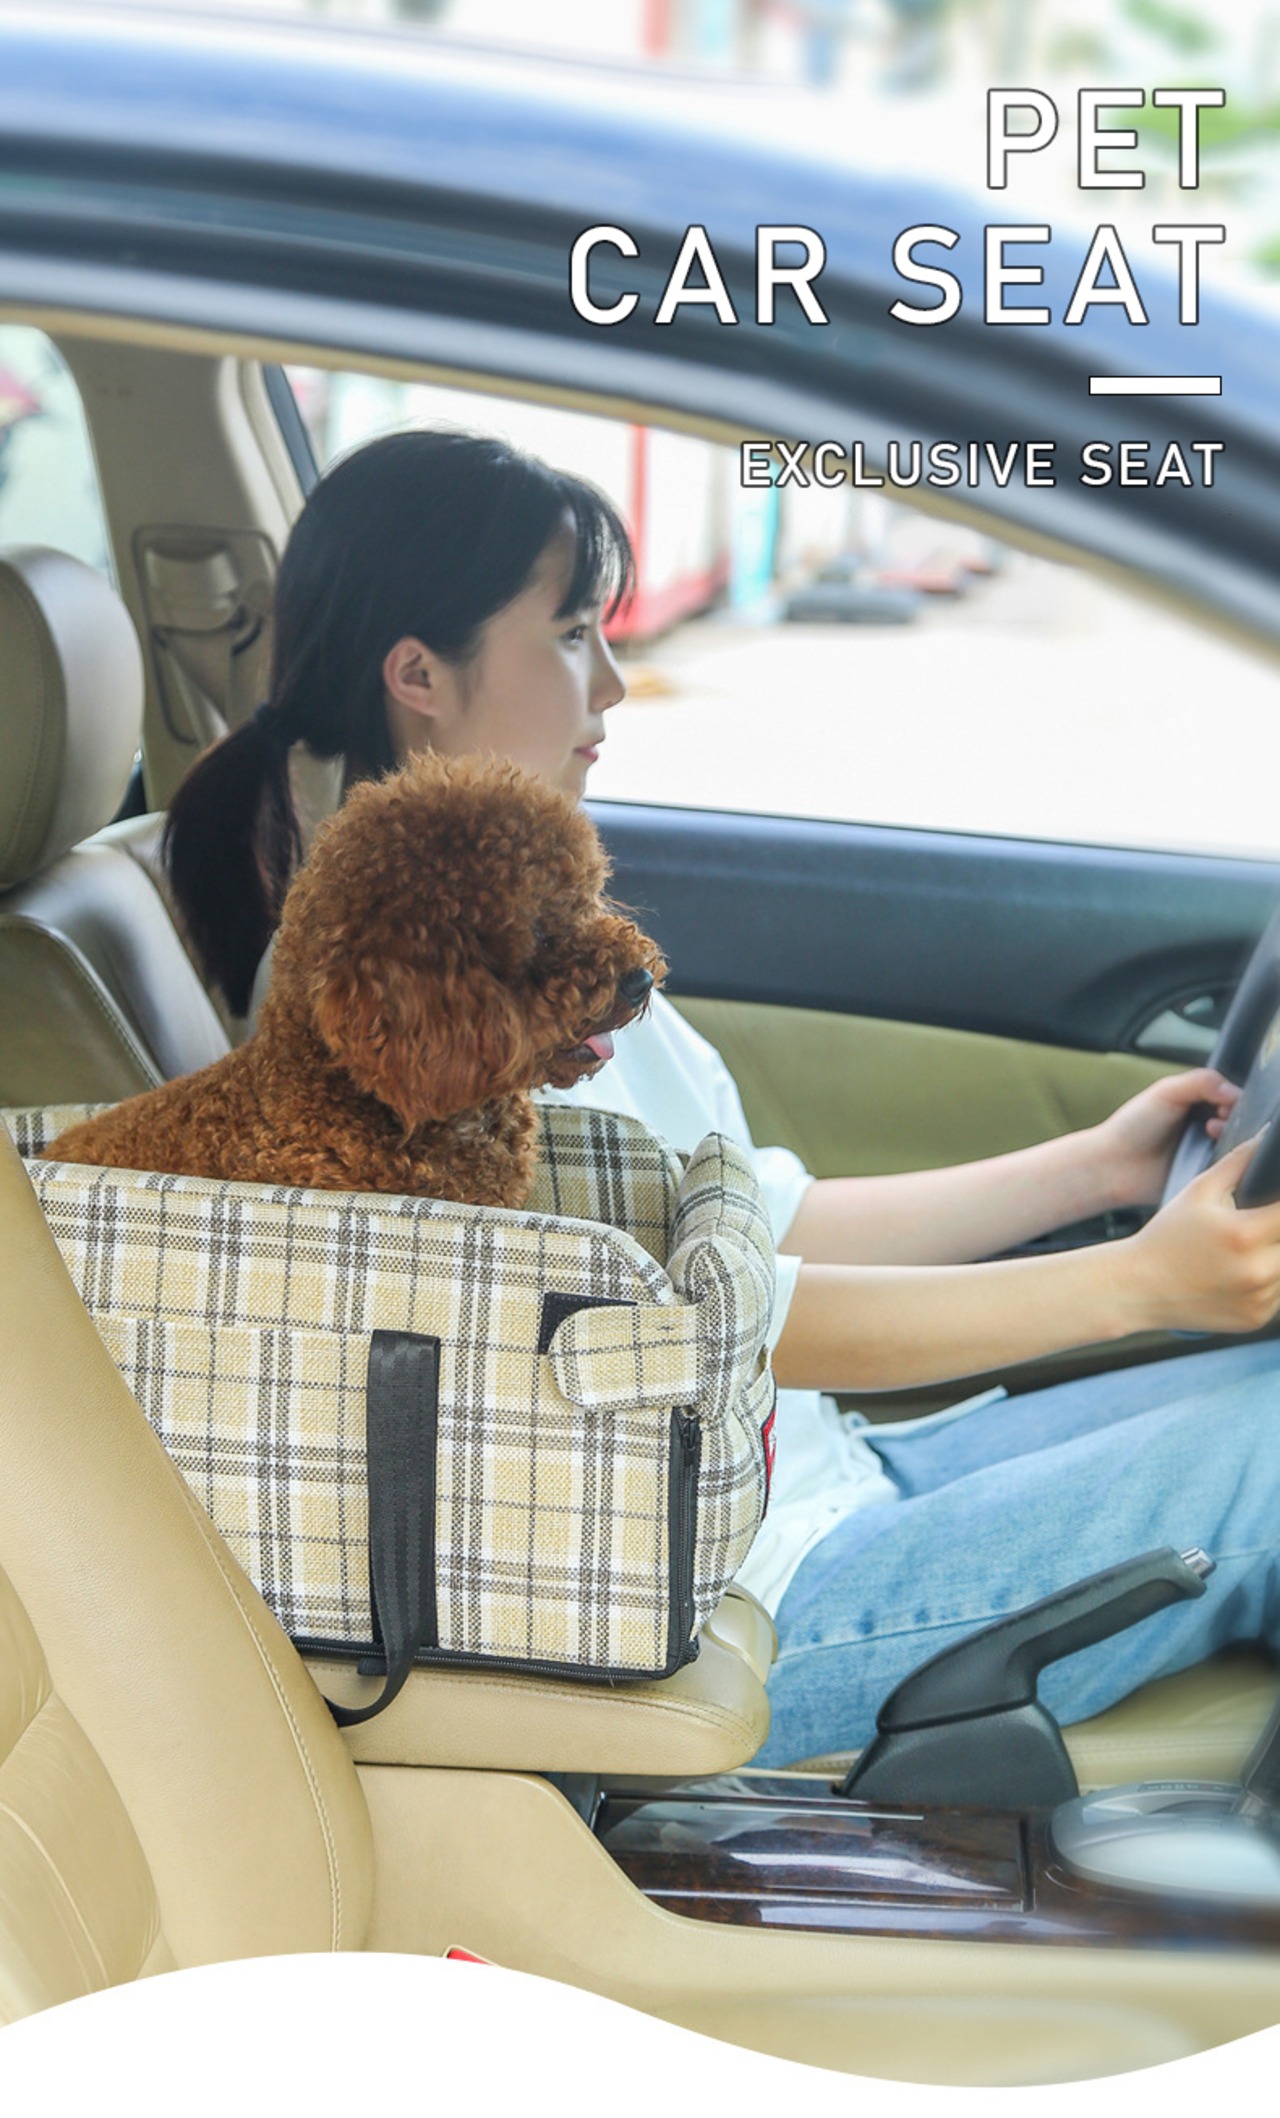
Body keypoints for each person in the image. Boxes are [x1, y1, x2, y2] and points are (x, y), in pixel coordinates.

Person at [165, 429, 1280, 1767]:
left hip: (795, 1486)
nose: (613, 681)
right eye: (570, 634)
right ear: (420, 676)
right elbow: (702, 1333)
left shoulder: (529, 937)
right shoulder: (408, 1010)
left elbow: (760, 1220)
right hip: (724, 1609)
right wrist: (1139, 1285)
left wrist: (1096, 1169)